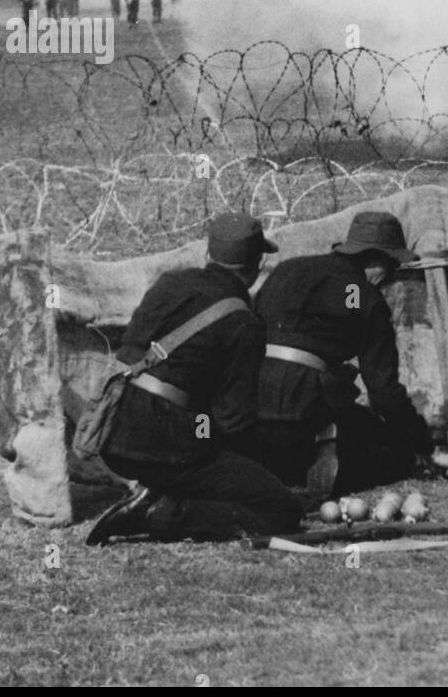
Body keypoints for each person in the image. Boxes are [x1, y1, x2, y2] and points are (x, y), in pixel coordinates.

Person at [86, 213, 303, 545]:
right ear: (256, 266)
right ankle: (166, 511)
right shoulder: (244, 323)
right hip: (167, 445)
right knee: (282, 510)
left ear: (208, 254)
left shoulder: (169, 283)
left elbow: (129, 352)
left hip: (114, 430)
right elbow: (234, 420)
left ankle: (158, 490)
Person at [247, 212, 434, 501]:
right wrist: (421, 443)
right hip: (305, 415)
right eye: (392, 265)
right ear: (376, 262)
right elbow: (384, 393)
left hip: (253, 409)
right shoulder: (366, 297)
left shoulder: (286, 270)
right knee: (390, 449)